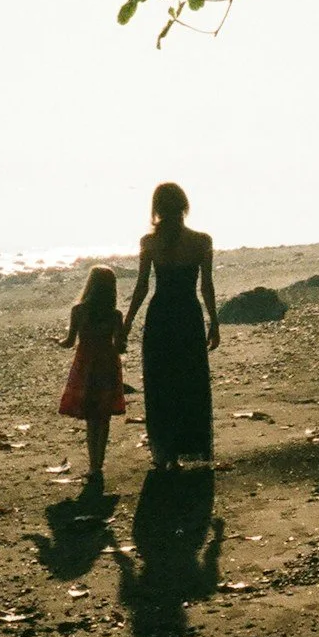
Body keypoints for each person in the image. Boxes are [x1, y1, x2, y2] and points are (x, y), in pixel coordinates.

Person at [120, 181, 218, 469]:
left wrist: (126, 324)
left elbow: (141, 288)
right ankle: (189, 445)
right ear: (184, 206)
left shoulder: (149, 243)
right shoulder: (202, 241)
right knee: (189, 382)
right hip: (187, 315)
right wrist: (215, 320)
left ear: (157, 209)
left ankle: (167, 453)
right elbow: (206, 286)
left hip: (161, 315)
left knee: (161, 383)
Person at [56, 265, 126, 486]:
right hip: (107, 364)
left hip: (85, 364)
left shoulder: (79, 310)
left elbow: (69, 342)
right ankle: (98, 465)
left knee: (89, 416)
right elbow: (120, 345)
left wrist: (56, 342)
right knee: (103, 416)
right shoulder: (115, 315)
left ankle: (92, 464)